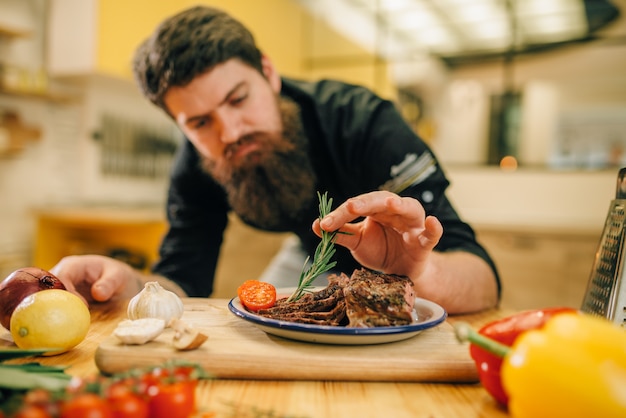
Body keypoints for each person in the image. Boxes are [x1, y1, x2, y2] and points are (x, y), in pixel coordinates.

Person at [50, 5, 500, 314]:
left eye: (239, 99)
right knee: (261, 323)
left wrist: (418, 269)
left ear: (269, 73)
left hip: (399, 268)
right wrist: (127, 286)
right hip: (309, 251)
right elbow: (183, 281)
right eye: (200, 123)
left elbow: (483, 280)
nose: (230, 132)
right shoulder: (199, 163)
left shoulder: (364, 122)